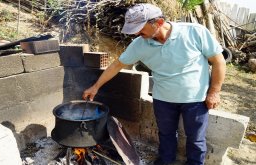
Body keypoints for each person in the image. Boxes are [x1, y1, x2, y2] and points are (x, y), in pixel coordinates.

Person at [82, 3, 226, 165]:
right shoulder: (139, 44)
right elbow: (117, 65)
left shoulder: (194, 32)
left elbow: (218, 61)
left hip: (196, 99)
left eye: (139, 28)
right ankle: (165, 161)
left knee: (196, 138)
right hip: (163, 99)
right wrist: (95, 86)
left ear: (158, 23)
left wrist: (214, 91)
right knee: (166, 134)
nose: (136, 33)